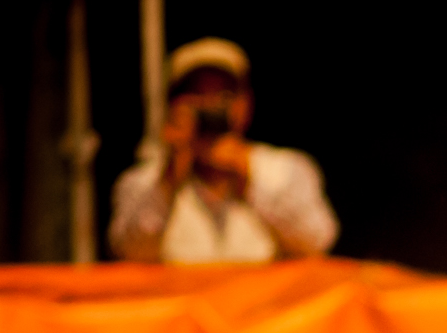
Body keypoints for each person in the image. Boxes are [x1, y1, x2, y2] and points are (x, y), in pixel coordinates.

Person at [107, 38, 337, 265]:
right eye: (199, 96)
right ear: (174, 106)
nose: (211, 107)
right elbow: (128, 253)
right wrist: (169, 181)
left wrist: (249, 177)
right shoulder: (143, 181)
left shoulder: (287, 169)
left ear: (246, 102)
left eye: (223, 95)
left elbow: (316, 241)